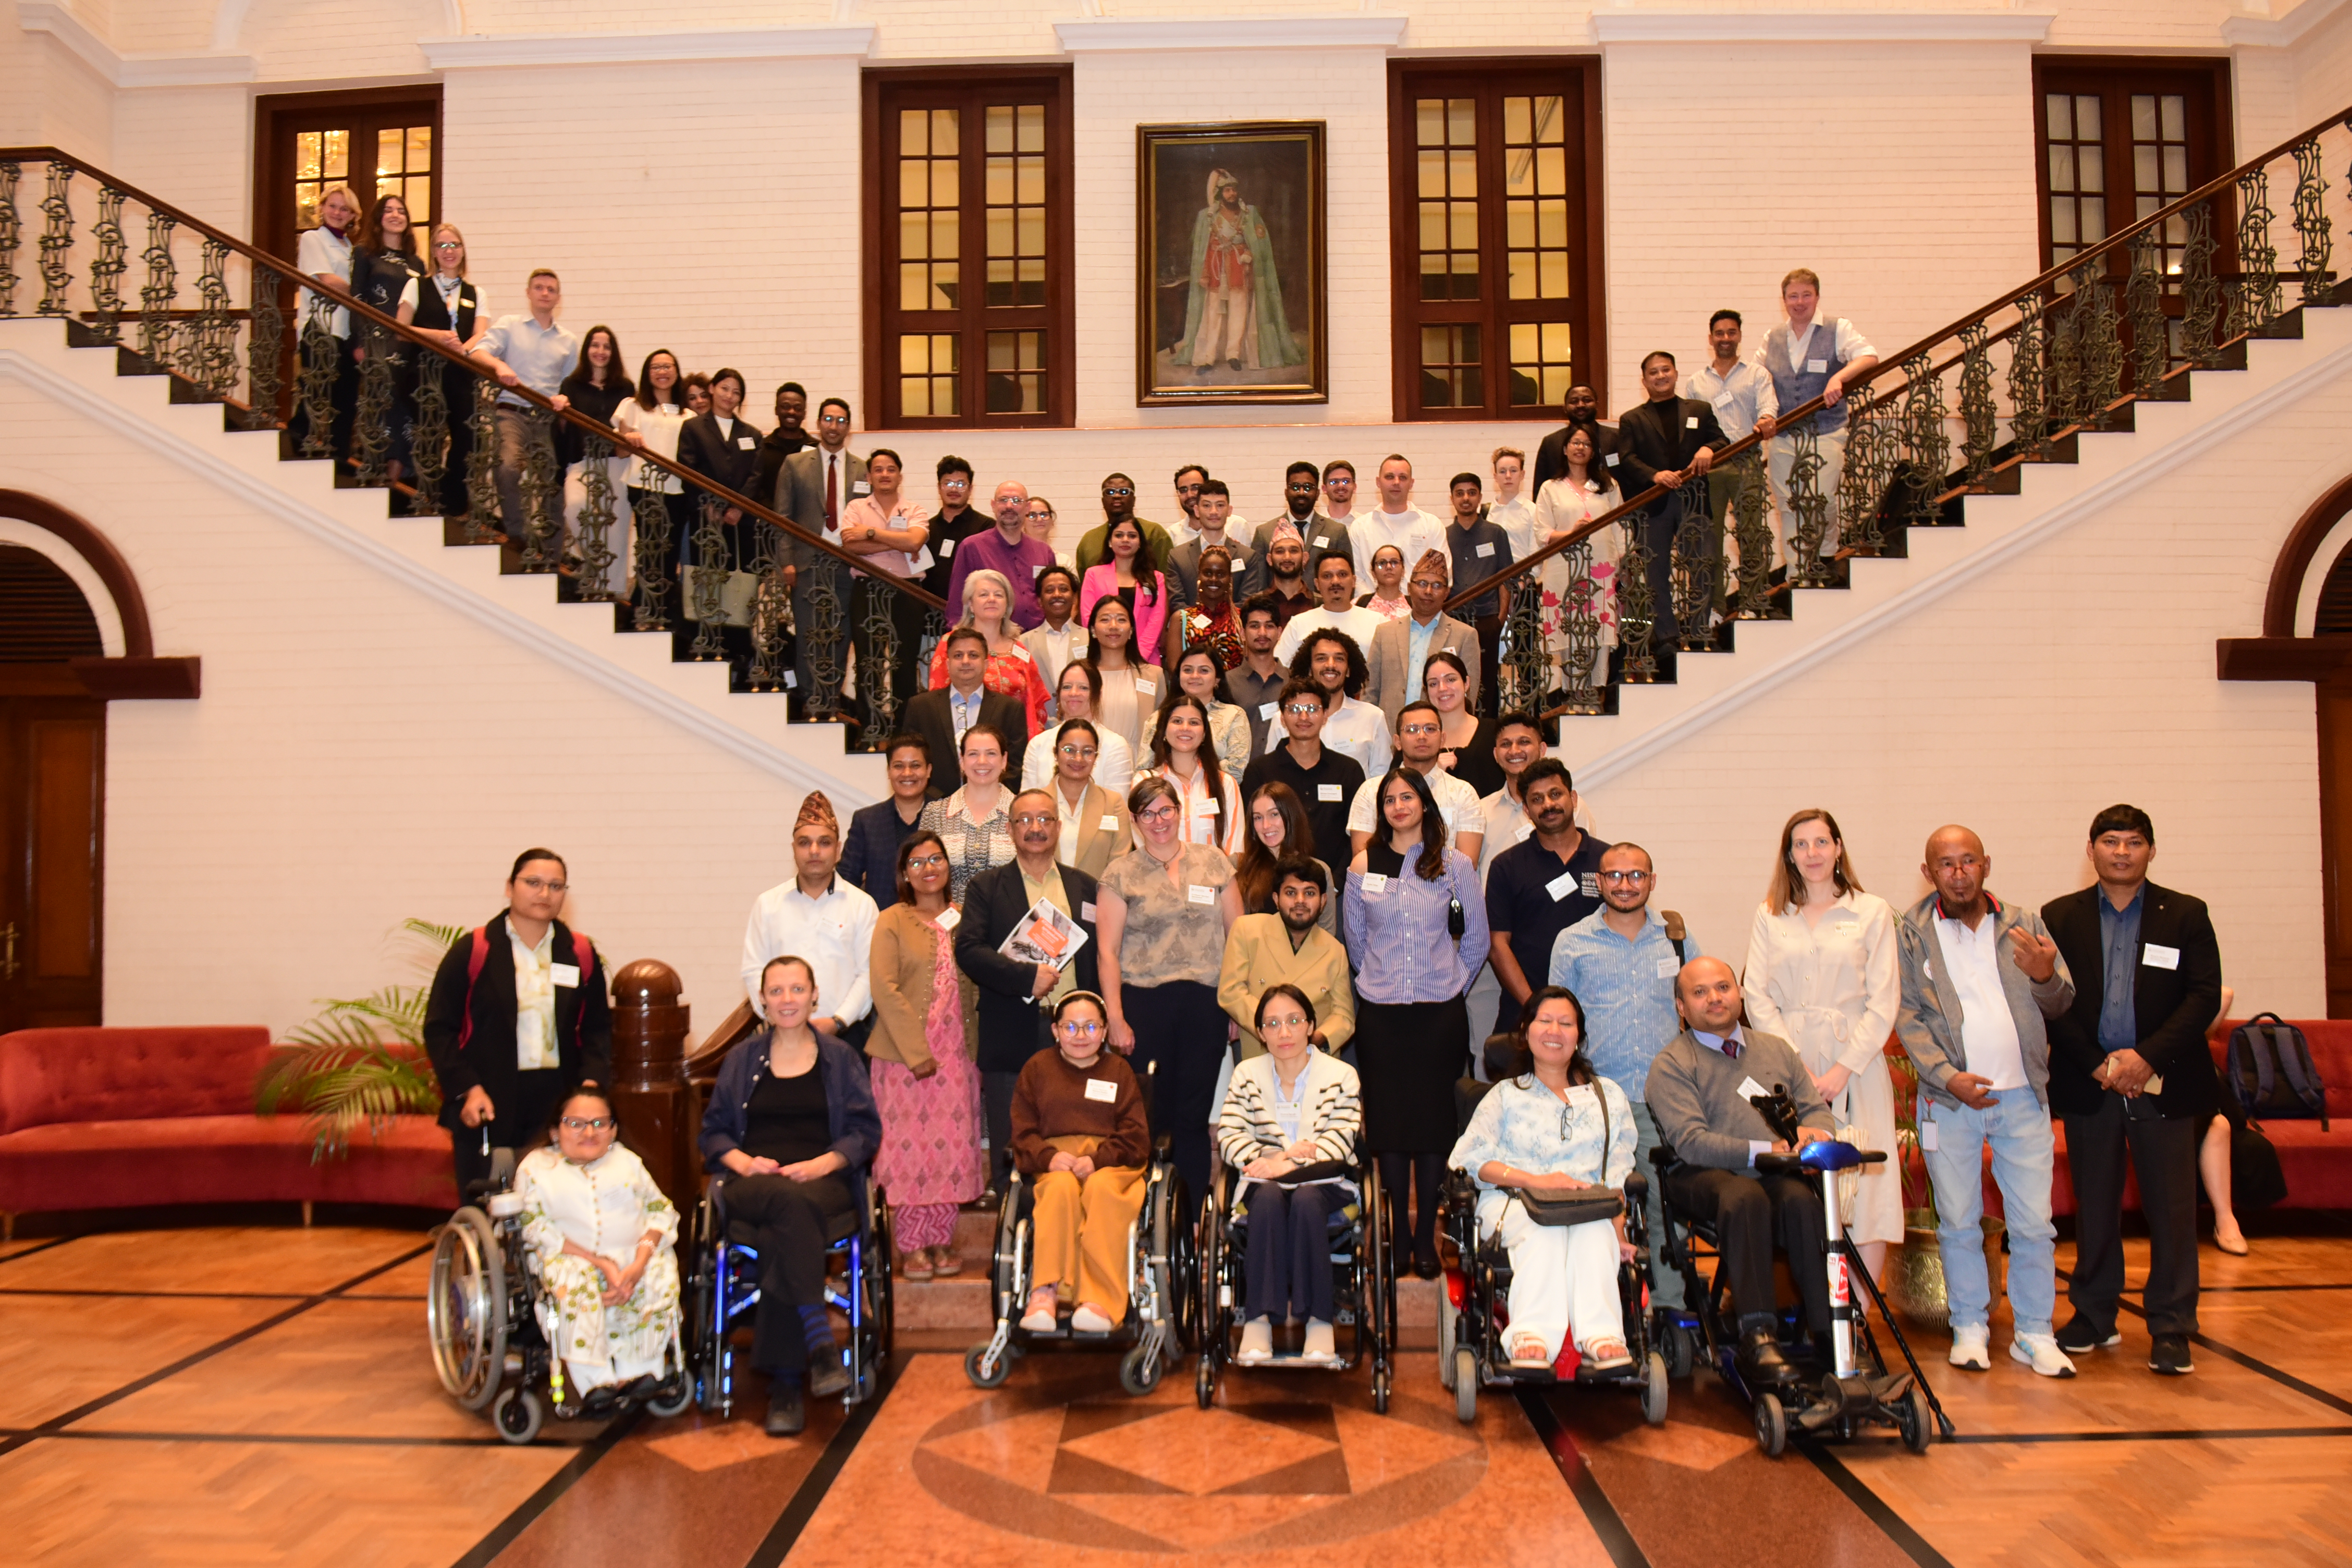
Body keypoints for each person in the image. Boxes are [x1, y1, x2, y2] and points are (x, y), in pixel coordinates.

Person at [2042, 805, 2223, 1376]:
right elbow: (2052, 1000)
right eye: (2111, 841)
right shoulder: (2059, 916)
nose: (2122, 852)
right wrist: (2100, 1064)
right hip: (2090, 1081)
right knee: (2094, 1206)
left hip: (2161, 1082)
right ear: (2091, 849)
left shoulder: (2186, 914)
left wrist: (2145, 1058)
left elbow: (2203, 997)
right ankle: (2094, 1315)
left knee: (2171, 1209)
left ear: (2151, 850)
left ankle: (2171, 1325)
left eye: (2134, 842)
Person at [1895, 824, 2079, 1378]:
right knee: (1958, 1221)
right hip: (1949, 1102)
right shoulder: (1912, 931)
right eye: (1945, 863)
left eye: (1967, 860)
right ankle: (1970, 1327)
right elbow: (1907, 1014)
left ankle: (2034, 1332)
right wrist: (1947, 1076)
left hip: (2022, 1095)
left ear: (1986, 864)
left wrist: (2045, 976)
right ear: (1928, 873)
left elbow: (2061, 999)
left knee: (2034, 1224)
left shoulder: (2025, 923)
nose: (1958, 872)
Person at [698, 955, 881, 1435]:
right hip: (751, 1183)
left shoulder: (840, 1059)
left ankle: (785, 1385)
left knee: (785, 1227)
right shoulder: (741, 1059)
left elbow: (865, 1131)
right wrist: (745, 1162)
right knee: (785, 1201)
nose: (786, 1000)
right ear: (761, 1000)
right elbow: (714, 1134)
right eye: (776, 991)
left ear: (814, 995)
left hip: (824, 1185)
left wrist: (823, 1163)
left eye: (796, 990)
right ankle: (819, 1345)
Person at [1645, 958, 1836, 1380]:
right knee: (1744, 1197)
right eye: (1700, 992)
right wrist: (1764, 1149)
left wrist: (1816, 1135)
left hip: (1774, 1173)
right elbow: (1692, 1142)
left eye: (1723, 987)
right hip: (1698, 1175)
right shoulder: (1672, 1064)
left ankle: (1828, 1332)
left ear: (1739, 993)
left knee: (1802, 1203)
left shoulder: (1777, 1050)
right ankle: (1758, 1334)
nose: (1714, 998)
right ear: (1681, 1007)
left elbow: (1817, 1112)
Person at [1740, 808, 1901, 1287]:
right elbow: (1757, 994)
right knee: (1800, 1184)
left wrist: (1843, 1070)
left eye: (1821, 842)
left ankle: (1860, 1319)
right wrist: (1797, 1068)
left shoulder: (1871, 911)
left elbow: (1885, 997)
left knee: (1867, 1189)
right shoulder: (1770, 912)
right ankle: (1819, 1309)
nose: (1812, 853)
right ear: (1789, 855)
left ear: (1838, 848)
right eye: (1801, 844)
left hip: (1859, 1064)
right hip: (1787, 1064)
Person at [1344, 766, 1489, 1278]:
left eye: (1408, 796)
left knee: (1432, 1129)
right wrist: (1384, 983)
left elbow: (1476, 942)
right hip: (1382, 1017)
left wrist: (1449, 985)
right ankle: (1397, 1237)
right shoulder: (1364, 862)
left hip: (1438, 1016)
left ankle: (1425, 1233)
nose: (1399, 805)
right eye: (1390, 799)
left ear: (1425, 803)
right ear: (1381, 810)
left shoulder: (1454, 865)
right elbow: (1356, 941)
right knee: (1389, 1127)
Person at [1451, 987, 1637, 1370]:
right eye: (1545, 1021)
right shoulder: (1505, 1095)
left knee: (1594, 1229)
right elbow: (1467, 1160)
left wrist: (1619, 1232)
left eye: (1566, 1024)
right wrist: (1537, 1181)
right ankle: (1531, 1334)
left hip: (1589, 1206)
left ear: (1580, 1037)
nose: (1555, 1031)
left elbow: (1616, 1175)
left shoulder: (1610, 1098)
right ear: (1526, 1031)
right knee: (1546, 1227)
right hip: (1513, 1201)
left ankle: (1602, 1336)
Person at [1549, 841, 1697, 1307]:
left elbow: (1699, 1010)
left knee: (1665, 1207)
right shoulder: (1572, 942)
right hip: (1596, 1098)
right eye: (1614, 875)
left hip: (1663, 1101)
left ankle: (1671, 1313)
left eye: (1636, 876)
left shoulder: (1676, 937)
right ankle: (1599, 1311)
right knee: (1596, 1207)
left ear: (1652, 882)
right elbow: (1555, 1024)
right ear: (1599, 882)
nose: (1625, 884)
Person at [422, 849, 612, 1196]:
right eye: (533, 883)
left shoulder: (579, 952)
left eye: (556, 886)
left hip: (557, 1097)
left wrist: (591, 1082)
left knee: (556, 1198)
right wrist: (468, 1088)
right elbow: (439, 1028)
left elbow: (598, 1027)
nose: (544, 894)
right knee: (489, 1201)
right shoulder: (474, 950)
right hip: (488, 1098)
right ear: (510, 887)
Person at [1096, 775, 1242, 1212]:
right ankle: (1150, 1215)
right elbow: (1107, 952)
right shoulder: (1120, 872)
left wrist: (1236, 1004)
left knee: (1194, 1115)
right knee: (1150, 1116)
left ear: (1180, 812)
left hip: (1206, 1003)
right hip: (1146, 1003)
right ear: (1136, 820)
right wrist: (1116, 1018)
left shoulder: (1213, 861)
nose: (1159, 820)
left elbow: (1238, 936)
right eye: (1148, 813)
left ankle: (1194, 1215)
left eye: (1166, 810)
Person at [956, 797, 1105, 1197]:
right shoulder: (985, 887)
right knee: (1013, 1140)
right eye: (1024, 820)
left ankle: (1069, 1223)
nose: (1035, 827)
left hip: (1077, 1035)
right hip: (1011, 1032)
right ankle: (1015, 1235)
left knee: (1075, 1132)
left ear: (1058, 828)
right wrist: (1026, 978)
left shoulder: (1085, 886)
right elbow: (968, 951)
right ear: (1010, 828)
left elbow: (1101, 956)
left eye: (1044, 819)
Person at [1217, 982, 1364, 1363]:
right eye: (1273, 1024)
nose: (1284, 1032)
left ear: (1310, 1025)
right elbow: (1231, 1138)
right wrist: (1275, 1162)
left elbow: (1339, 1142)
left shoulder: (1341, 1074)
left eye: (1294, 1021)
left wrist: (1285, 1163)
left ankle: (1318, 1322)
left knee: (1306, 1198)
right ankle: (1259, 1321)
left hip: (1327, 1183)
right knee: (1267, 1197)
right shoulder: (1247, 1074)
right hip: (1260, 1182)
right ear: (1261, 1033)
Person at [866, 830, 987, 1280]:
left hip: (957, 1055)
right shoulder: (892, 920)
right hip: (903, 1058)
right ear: (904, 873)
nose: (928, 868)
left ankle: (941, 1240)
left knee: (950, 1150)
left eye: (936, 859)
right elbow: (885, 987)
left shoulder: (964, 919)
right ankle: (913, 1245)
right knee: (909, 1150)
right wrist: (916, 1052)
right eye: (917, 862)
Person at [513, 1088, 681, 1399]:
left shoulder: (627, 1161)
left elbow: (660, 1210)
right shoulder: (537, 1167)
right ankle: (596, 1382)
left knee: (658, 1272)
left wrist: (639, 1262)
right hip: (566, 1256)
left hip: (632, 1256)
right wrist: (601, 1263)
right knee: (575, 1281)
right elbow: (532, 1225)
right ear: (555, 1131)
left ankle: (641, 1372)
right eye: (575, 1123)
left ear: (614, 1130)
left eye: (600, 1123)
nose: (589, 1132)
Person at [1010, 991, 1150, 1333]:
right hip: (1056, 1161)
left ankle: (1100, 1300)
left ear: (1104, 1032)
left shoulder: (1119, 1070)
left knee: (1102, 1190)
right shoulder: (1037, 1069)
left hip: (1112, 1163)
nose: (1081, 1035)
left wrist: (1097, 1159)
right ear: (1056, 1031)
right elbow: (1023, 1131)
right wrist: (1049, 1157)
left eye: (1091, 1027)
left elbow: (1135, 1133)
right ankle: (1046, 1292)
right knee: (1058, 1190)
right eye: (1071, 1027)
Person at [1754, 268, 1879, 564]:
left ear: (1817, 297)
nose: (1800, 302)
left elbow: (1869, 356)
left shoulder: (1838, 328)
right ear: (1784, 300)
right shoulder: (1772, 337)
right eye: (1793, 296)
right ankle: (1796, 571)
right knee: (1788, 505)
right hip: (1784, 437)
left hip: (1826, 431)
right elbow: (1757, 378)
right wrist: (1763, 416)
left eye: (1806, 295)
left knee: (1821, 499)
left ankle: (1824, 557)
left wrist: (1839, 379)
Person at [740, 791, 879, 1047]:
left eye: (824, 842)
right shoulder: (768, 905)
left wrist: (838, 1022)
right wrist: (778, 1017)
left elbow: (868, 973)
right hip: (783, 1035)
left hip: (846, 1037)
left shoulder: (862, 905)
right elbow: (753, 970)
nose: (814, 851)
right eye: (805, 843)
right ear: (793, 849)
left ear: (838, 850)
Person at [1484, 760, 1609, 1036]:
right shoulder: (1507, 866)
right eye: (1537, 799)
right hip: (1526, 1010)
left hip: (1598, 1009)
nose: (1548, 805)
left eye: (1556, 794)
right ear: (1527, 810)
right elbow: (1497, 944)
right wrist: (1535, 1007)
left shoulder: (1607, 861)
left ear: (1573, 798)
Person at [1615, 350, 1725, 649]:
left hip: (1695, 501)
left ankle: (1700, 628)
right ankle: (1667, 635)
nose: (1661, 376)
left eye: (1666, 370)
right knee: (1656, 573)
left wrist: (1709, 449)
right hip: (1655, 505)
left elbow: (1722, 440)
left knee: (1702, 565)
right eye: (1654, 372)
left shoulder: (1700, 410)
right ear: (1644, 380)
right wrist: (1655, 475)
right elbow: (1627, 458)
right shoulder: (1632, 419)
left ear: (1676, 374)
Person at [468, 269, 579, 543]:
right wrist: (499, 365)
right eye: (539, 288)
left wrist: (565, 398)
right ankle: (517, 534)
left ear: (558, 298)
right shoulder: (510, 325)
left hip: (545, 419)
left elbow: (570, 385)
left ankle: (554, 554)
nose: (545, 293)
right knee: (507, 467)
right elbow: (477, 352)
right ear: (528, 293)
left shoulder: (569, 341)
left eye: (551, 290)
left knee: (552, 483)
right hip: (511, 413)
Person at [776, 398, 865, 717]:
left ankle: (830, 699)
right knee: (809, 634)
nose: (834, 426)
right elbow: (783, 518)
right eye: (828, 419)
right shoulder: (794, 464)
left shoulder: (862, 468)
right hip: (806, 563)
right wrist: (786, 561)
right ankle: (809, 700)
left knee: (841, 636)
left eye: (841, 421)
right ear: (819, 423)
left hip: (846, 563)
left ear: (848, 428)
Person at [1684, 308, 1777, 602]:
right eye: (1720, 333)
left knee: (1752, 533)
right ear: (1710, 339)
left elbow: (1768, 408)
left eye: (1731, 332)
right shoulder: (1696, 383)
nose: (1725, 338)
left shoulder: (1757, 374)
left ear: (1739, 336)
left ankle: (1753, 599)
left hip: (1746, 462)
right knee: (1709, 539)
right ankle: (1715, 608)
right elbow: (1691, 427)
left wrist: (1765, 420)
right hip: (1709, 467)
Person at [1219, 861, 1355, 1060]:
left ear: (1323, 900)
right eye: (1291, 893)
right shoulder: (1248, 931)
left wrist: (1313, 1039)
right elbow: (1230, 992)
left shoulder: (1335, 951)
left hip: (1314, 1060)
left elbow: (1344, 1016)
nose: (1300, 901)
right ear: (1276, 898)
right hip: (1261, 1055)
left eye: (1309, 893)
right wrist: (1274, 1027)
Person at [838, 447, 933, 729]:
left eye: (891, 469)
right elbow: (850, 546)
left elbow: (915, 542)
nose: (885, 474)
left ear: (900, 476)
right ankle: (871, 726)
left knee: (904, 662)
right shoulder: (856, 508)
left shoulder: (915, 509)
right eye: (878, 470)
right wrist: (897, 540)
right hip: (868, 589)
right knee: (870, 661)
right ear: (869, 476)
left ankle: (904, 727)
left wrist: (871, 533)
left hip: (908, 590)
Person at [1174, 170, 1304, 375]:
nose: (1232, 193)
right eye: (1227, 190)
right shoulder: (1210, 216)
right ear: (1220, 194)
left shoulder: (1247, 214)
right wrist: (1206, 272)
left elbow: (1258, 243)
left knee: (1238, 315)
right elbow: (1205, 247)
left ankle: (1233, 355)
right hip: (1217, 271)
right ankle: (1208, 357)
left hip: (1239, 272)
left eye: (1234, 190)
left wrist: (1250, 254)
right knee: (1213, 316)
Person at [1530, 424, 1623, 691]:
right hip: (1564, 570)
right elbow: (1542, 532)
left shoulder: (1607, 485)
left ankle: (1598, 691)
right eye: (1575, 443)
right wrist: (1571, 533)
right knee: (1570, 634)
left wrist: (1624, 560)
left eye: (1586, 444)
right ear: (1565, 449)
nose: (1580, 448)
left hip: (1602, 570)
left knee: (1600, 633)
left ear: (1594, 452)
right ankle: (1574, 696)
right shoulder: (1551, 488)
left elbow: (1619, 526)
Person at [408, 223, 490, 516]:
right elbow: (400, 328)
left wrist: (463, 349)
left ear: (463, 250)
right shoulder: (417, 285)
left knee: (466, 437)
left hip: (461, 372)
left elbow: (483, 332)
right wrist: (438, 338)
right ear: (433, 252)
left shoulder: (475, 292)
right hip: (426, 372)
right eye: (442, 245)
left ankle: (453, 502)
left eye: (454, 244)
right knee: (428, 434)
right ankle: (426, 498)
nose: (449, 251)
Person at [1240, 677, 1365, 864]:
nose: (1304, 717)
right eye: (1295, 710)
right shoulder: (1259, 771)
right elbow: (1251, 834)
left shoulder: (1349, 770)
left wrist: (1334, 884)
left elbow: (1357, 834)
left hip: (1336, 887)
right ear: (1282, 717)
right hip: (1274, 885)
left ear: (1325, 716)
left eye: (1313, 709)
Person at [346, 193, 427, 482]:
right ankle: (372, 465)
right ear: (379, 219)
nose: (396, 215)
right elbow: (356, 298)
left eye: (401, 211)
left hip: (407, 345)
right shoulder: (365, 254)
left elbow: (422, 305)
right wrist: (358, 342)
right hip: (375, 341)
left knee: (406, 407)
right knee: (380, 403)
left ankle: (394, 476)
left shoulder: (417, 263)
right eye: (389, 211)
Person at [1345, 698, 1483, 861]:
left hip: (1443, 885)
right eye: (1412, 730)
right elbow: (1363, 859)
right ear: (1397, 742)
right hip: (1388, 883)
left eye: (1430, 729)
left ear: (1443, 739)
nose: (1422, 736)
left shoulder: (1464, 793)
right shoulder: (1371, 791)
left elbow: (1468, 863)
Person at [902, 628, 1028, 800]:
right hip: (934, 805)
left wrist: (991, 798)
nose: (965, 661)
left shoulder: (1010, 709)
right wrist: (934, 800)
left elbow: (1015, 765)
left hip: (993, 805)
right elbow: (913, 759)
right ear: (947, 665)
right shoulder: (921, 707)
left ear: (986, 664)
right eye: (958, 656)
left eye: (973, 655)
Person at [612, 348, 694, 612]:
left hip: (677, 491)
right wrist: (628, 439)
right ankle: (642, 609)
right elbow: (622, 451)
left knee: (669, 554)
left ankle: (660, 610)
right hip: (643, 486)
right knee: (650, 549)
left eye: (668, 366)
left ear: (676, 372)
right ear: (647, 374)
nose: (662, 372)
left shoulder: (688, 415)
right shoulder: (632, 406)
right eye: (656, 367)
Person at [926, 568, 1051, 735]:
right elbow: (937, 699)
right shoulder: (951, 644)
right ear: (970, 605)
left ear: (1008, 605)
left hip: (1014, 741)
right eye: (984, 595)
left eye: (999, 595)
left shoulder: (1019, 650)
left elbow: (1036, 704)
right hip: (965, 739)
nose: (992, 599)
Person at [1365, 553, 1481, 727]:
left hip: (1442, 736)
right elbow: (1371, 691)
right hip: (1390, 735)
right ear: (1410, 588)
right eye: (1422, 584)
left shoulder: (1465, 635)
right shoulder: (1385, 633)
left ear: (1446, 593)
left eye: (1436, 586)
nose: (1428, 591)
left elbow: (1468, 696)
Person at [905, 455, 986, 704]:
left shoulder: (986, 528)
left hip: (972, 627)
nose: (954, 489)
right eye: (948, 483)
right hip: (930, 629)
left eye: (961, 484)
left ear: (971, 489)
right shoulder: (925, 530)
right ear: (939, 487)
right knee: (936, 694)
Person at [554, 326, 633, 579]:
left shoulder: (626, 388)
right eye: (595, 345)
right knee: (575, 509)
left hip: (618, 463)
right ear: (587, 350)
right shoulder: (571, 385)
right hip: (582, 462)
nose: (600, 351)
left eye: (607, 346)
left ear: (614, 352)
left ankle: (614, 594)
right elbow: (563, 429)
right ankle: (599, 566)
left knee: (618, 530)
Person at [291, 185, 360, 460]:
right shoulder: (312, 239)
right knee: (316, 392)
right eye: (332, 206)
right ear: (321, 208)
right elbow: (327, 281)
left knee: (346, 400)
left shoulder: (351, 248)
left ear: (353, 215)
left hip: (346, 332)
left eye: (345, 209)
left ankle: (340, 457)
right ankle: (296, 445)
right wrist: (362, 294)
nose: (337, 213)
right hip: (321, 328)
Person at [916, 723, 1019, 904]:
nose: (982, 761)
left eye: (991, 753)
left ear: (1004, 761)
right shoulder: (935, 814)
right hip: (950, 925)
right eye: (973, 754)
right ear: (962, 761)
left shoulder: (1023, 814)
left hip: (1010, 923)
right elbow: (921, 875)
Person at [1277, 627, 1392, 779]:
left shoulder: (1373, 717)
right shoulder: (1285, 718)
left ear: (1349, 670)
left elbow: (1381, 780)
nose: (1330, 665)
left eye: (1339, 659)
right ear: (1309, 669)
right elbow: (1274, 773)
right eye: (1321, 658)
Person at [1138, 694, 1245, 855]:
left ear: (1204, 734)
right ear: (1164, 731)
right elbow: (1141, 841)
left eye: (1194, 723)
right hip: (1158, 877)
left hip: (1214, 878)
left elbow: (1234, 846)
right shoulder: (1144, 781)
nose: (1185, 728)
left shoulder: (1226, 784)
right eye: (1177, 721)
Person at [1233, 782, 1341, 937]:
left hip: (1306, 959)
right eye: (1258, 818)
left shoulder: (1319, 869)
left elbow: (1327, 934)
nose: (1266, 825)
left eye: (1274, 814)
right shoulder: (1238, 866)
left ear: (1291, 815)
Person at [1032, 715, 1133, 878]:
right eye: (1069, 750)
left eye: (1087, 752)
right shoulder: (1035, 803)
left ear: (1096, 757)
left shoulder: (1113, 804)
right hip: (1043, 899)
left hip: (1098, 899)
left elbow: (1120, 864)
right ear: (1056, 754)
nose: (1078, 759)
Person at [1443, 473, 1514, 699]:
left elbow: (1506, 577)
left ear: (1480, 497)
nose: (1466, 498)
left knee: (1487, 681)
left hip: (1487, 619)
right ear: (1452, 498)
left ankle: (1488, 728)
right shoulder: (1443, 535)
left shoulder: (1496, 533)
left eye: (1472, 493)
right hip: (1453, 619)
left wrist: (1500, 619)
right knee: (1452, 677)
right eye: (1460, 493)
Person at [948, 480, 1054, 631]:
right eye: (1003, 500)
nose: (1009, 506)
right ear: (993, 505)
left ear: (1028, 507)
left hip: (1037, 640)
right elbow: (957, 604)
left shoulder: (1044, 552)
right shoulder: (972, 547)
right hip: (989, 639)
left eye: (1017, 501)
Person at [841, 733, 933, 906]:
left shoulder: (947, 815)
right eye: (899, 766)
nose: (907, 773)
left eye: (915, 766)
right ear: (889, 772)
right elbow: (847, 880)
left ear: (928, 771)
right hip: (880, 924)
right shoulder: (867, 821)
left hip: (936, 926)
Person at [1021, 662, 1135, 792]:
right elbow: (1027, 802)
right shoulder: (1038, 745)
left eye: (1083, 688)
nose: (1074, 693)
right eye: (1067, 687)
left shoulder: (1116, 746)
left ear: (1098, 694)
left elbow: (1117, 806)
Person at [1241, 463, 1348, 602]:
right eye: (1296, 487)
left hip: (1322, 610)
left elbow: (1346, 581)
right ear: (1286, 493)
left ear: (1317, 494)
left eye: (1308, 488)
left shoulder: (1336, 532)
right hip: (1276, 611)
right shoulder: (1265, 533)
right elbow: (1259, 584)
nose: (1302, 492)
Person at [1079, 517, 1170, 668]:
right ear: (1109, 541)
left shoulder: (1156, 578)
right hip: (1103, 659)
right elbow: (1088, 617)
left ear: (1140, 542)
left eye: (1132, 536)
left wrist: (1138, 657)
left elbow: (1156, 622)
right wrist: (1111, 655)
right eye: (1119, 535)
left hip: (1145, 661)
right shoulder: (1093, 575)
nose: (1126, 540)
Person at [1471, 711, 1552, 880]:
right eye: (1506, 744)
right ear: (1495, 754)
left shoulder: (1567, 809)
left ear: (1542, 749)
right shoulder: (1479, 811)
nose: (1514, 751)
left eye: (1524, 742)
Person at [1273, 550, 1386, 668]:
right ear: (1317, 584)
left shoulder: (1378, 622)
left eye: (1342, 575)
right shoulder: (1298, 624)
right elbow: (1281, 671)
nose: (1335, 581)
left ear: (1353, 581)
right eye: (1327, 576)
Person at [1350, 455, 1447, 591]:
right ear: (1378, 482)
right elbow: (1356, 577)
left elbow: (1442, 577)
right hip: (1370, 609)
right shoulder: (1360, 528)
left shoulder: (1432, 526)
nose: (1396, 482)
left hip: (1419, 610)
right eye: (1390, 477)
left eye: (1403, 477)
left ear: (1411, 483)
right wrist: (1374, 606)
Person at [1082, 596, 1159, 756]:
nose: (1114, 626)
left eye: (1121, 620)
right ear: (1093, 630)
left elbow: (1160, 730)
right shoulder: (1081, 675)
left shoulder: (1153, 675)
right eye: (1105, 620)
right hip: (1089, 764)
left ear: (1131, 631)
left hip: (1137, 766)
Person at [1166, 480, 1252, 621]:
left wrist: (1219, 624)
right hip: (1191, 635)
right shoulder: (1177, 557)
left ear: (1229, 510)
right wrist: (1202, 624)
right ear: (1197, 511)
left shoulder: (1248, 556)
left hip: (1234, 635)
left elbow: (1247, 603)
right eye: (1207, 505)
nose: (1214, 512)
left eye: (1220, 505)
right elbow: (1176, 603)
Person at [1422, 648, 1502, 799]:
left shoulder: (1494, 732)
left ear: (1466, 683)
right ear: (1426, 691)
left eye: (1451, 680)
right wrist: (1433, 772)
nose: (1442, 688)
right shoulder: (1416, 739)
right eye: (1433, 684)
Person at [1222, 594, 1291, 757]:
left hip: (1285, 777)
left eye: (1269, 626)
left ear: (1279, 632)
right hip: (1241, 777)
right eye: (1255, 626)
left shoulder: (1294, 681)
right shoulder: (1227, 683)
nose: (1262, 633)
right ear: (1243, 634)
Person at [1072, 473, 1175, 579]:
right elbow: (1084, 588)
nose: (1117, 496)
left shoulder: (1155, 533)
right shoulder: (1089, 540)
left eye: (1124, 491)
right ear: (1103, 501)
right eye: (1110, 492)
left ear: (1134, 500)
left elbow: (1167, 579)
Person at [1530, 383, 1626, 495]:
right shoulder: (1551, 443)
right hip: (1565, 508)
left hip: (1613, 507)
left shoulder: (1616, 438)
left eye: (1587, 400)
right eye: (1574, 401)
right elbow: (1540, 489)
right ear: (1565, 408)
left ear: (1597, 405)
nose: (1581, 405)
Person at [1167, 645, 1251, 768]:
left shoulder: (1234, 716)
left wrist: (1195, 783)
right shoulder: (1161, 717)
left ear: (1217, 679)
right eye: (1188, 670)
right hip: (1167, 786)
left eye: (1204, 671)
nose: (1195, 676)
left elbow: (1235, 768)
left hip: (1218, 786)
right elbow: (1146, 768)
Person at [1168, 549, 1245, 674]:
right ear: (1199, 575)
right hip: (1193, 689)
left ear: (1230, 578)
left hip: (1234, 691)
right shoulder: (1181, 619)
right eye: (1208, 573)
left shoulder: (1242, 618)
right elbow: (1174, 669)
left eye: (1221, 574)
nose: (1214, 579)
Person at [750, 381, 811, 521]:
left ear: (804, 414)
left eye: (798, 408)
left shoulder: (816, 449)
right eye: (786, 407)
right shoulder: (763, 448)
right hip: (769, 525)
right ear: (776, 410)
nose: (791, 412)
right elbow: (756, 489)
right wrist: (776, 515)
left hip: (807, 528)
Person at [1021, 564, 1088, 690]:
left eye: (1064, 589)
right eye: (1049, 590)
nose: (1057, 595)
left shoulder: (1091, 639)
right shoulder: (1023, 643)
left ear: (1075, 598)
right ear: (1039, 601)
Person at [1486, 447, 1540, 569]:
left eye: (1513, 471)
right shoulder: (1485, 513)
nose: (1508, 476)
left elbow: (1537, 555)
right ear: (1495, 477)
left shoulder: (1533, 511)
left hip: (1522, 581)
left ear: (1522, 475)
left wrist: (1522, 583)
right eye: (1503, 471)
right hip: (1491, 582)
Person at [1259, 521, 1317, 626]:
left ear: (1305, 558)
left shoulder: (1319, 604)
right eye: (1280, 551)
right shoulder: (1255, 603)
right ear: (1269, 559)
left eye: (1294, 551)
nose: (1287, 557)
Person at [1359, 545, 1411, 622]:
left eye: (1394, 562)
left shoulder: (1415, 607)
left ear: (1403, 571)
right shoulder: (1359, 605)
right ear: (1373, 573)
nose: (1389, 567)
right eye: (1382, 563)